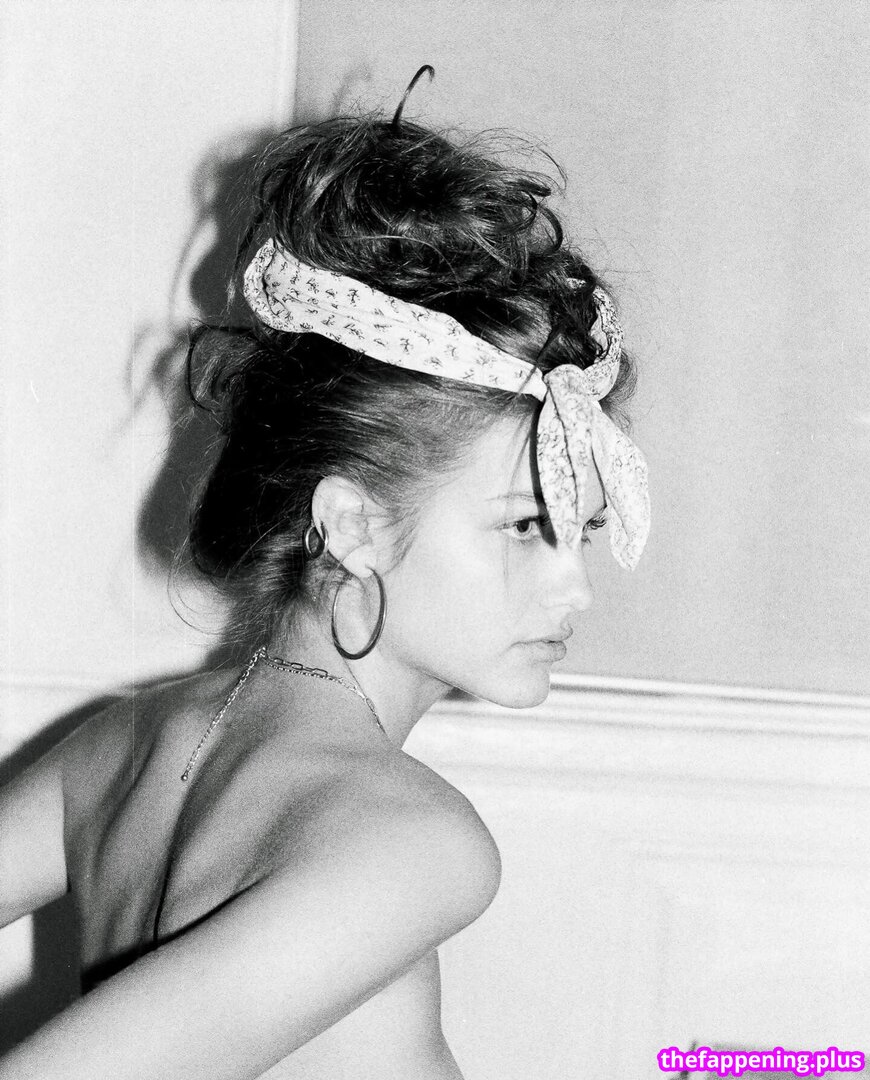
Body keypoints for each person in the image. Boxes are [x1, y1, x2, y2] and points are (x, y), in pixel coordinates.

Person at [0, 69, 649, 1080]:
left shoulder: (121, 747)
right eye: (527, 527)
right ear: (350, 524)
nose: (578, 589)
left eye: (585, 529)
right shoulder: (412, 839)